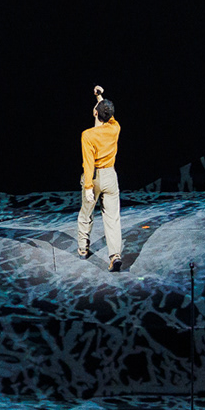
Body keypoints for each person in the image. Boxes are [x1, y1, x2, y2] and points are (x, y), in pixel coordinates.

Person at [78, 85, 123, 272]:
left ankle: (83, 248)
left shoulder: (88, 135)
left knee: (86, 214)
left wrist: (88, 186)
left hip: (94, 177)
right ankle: (115, 256)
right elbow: (107, 113)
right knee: (112, 217)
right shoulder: (115, 128)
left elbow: (88, 163)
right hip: (110, 176)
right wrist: (100, 96)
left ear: (95, 113)